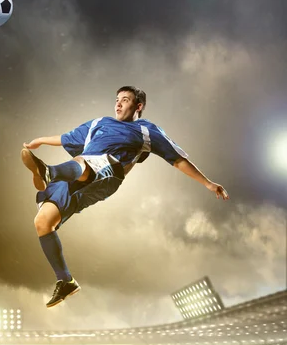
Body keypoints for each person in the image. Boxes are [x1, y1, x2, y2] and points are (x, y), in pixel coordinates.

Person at [21, 86, 229, 308]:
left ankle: (48, 173)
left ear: (138, 106)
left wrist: (207, 182)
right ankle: (66, 281)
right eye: (117, 99)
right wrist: (40, 140)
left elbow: (177, 159)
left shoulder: (146, 131)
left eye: (126, 100)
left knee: (85, 160)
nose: (118, 103)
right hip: (77, 174)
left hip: (109, 172)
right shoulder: (98, 123)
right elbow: (66, 138)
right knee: (42, 222)